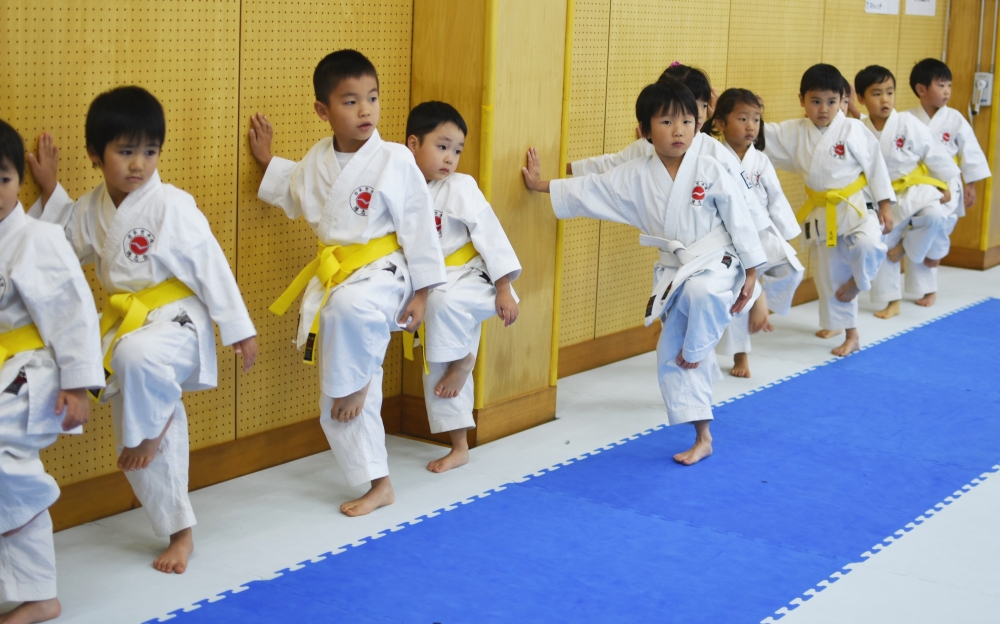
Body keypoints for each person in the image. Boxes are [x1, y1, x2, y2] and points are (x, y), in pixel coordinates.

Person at [31, 87, 258, 575]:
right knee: (65, 370)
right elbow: (55, 253)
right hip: (127, 329)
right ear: (95, 154)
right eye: (125, 151)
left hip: (177, 321)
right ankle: (176, 526)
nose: (139, 164)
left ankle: (151, 432)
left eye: (150, 152)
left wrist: (236, 326)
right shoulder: (90, 210)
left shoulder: (171, 205)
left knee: (138, 362)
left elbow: (210, 265)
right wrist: (50, 191)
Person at [523, 80, 765, 466]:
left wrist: (752, 271)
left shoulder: (710, 167)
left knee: (702, 296)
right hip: (677, 270)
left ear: (699, 125)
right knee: (671, 355)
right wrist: (539, 185)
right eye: (667, 121)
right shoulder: (635, 174)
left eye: (687, 121)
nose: (679, 130)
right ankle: (703, 435)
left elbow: (741, 217)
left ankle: (700, 347)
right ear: (645, 129)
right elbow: (591, 188)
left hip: (719, 260)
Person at [249, 50, 446, 515]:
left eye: (373, 99)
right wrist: (265, 160)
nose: (365, 110)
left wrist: (422, 292)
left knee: (349, 312)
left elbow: (419, 224)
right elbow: (293, 190)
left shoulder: (395, 158)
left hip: (385, 273)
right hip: (340, 278)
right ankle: (375, 480)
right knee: (333, 399)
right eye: (351, 101)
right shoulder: (316, 161)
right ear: (323, 111)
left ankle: (358, 384)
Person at [0, 119, 103, 624]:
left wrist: (78, 384)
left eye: (1, 178)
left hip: (29, 378)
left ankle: (40, 596)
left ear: (18, 180)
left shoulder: (36, 239)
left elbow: (74, 312)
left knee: (11, 472)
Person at [403, 101, 521, 473]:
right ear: (412, 144)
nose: (450, 158)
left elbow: (490, 234)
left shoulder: (461, 186)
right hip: (430, 283)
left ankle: (465, 360)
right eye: (442, 146)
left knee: (443, 305)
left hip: (474, 277)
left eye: (457, 150)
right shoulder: (399, 186)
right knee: (434, 360)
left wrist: (503, 286)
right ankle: (459, 446)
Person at [763, 64, 895, 356]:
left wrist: (885, 206)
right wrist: (726, 110)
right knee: (831, 275)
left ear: (843, 101)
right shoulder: (794, 131)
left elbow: (876, 165)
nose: (824, 109)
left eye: (831, 101)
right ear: (802, 100)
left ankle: (859, 281)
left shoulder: (852, 128)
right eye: (816, 101)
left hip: (858, 206)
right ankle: (851, 335)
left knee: (870, 245)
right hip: (823, 214)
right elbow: (758, 133)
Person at [705, 89, 804, 378]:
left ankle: (760, 302)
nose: (751, 126)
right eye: (743, 118)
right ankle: (741, 356)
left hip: (760, 231)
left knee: (792, 269)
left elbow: (776, 196)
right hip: (728, 237)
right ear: (721, 123)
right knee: (741, 292)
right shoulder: (713, 155)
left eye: (757, 119)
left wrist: (785, 231)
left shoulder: (760, 159)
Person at [854, 65, 961, 318]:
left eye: (889, 92)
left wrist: (943, 182)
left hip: (915, 188)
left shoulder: (907, 123)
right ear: (861, 98)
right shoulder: (859, 129)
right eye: (876, 93)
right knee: (883, 238)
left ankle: (908, 250)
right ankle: (891, 301)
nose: (885, 99)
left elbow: (934, 153)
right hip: (882, 197)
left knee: (934, 215)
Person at [905, 58, 991, 306]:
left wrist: (970, 183)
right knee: (923, 227)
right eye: (941, 85)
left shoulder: (955, 119)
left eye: (949, 86)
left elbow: (970, 151)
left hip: (949, 184)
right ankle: (927, 289)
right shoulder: (908, 119)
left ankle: (936, 253)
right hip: (919, 184)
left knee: (942, 225)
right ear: (922, 89)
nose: (946, 91)